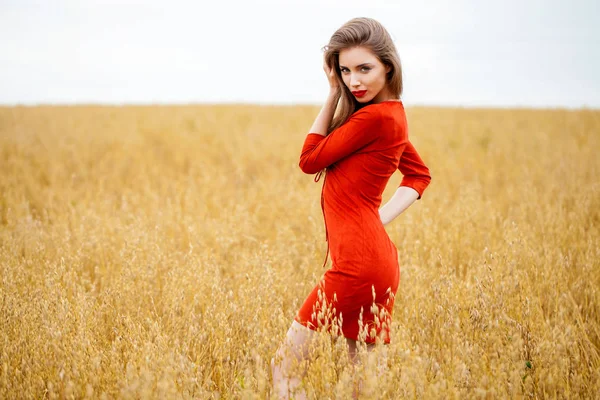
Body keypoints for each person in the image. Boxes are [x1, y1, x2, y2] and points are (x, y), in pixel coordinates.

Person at [271, 17, 432, 399]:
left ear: (388, 67)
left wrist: (330, 94)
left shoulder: (375, 118)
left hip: (357, 267)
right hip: (378, 262)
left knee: (285, 369)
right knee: (362, 388)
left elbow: (309, 159)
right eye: (344, 71)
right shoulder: (393, 116)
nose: (353, 81)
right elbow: (419, 175)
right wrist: (375, 222)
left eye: (364, 68)